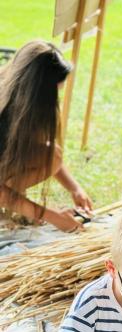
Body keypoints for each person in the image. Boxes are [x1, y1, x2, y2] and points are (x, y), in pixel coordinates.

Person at [0, 40, 93, 233]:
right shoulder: (3, 113)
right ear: (36, 91)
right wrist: (52, 216)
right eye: (52, 92)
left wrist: (75, 188)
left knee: (52, 155)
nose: (56, 98)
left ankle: (17, 206)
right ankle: (13, 206)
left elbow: (44, 151)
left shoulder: (21, 103)